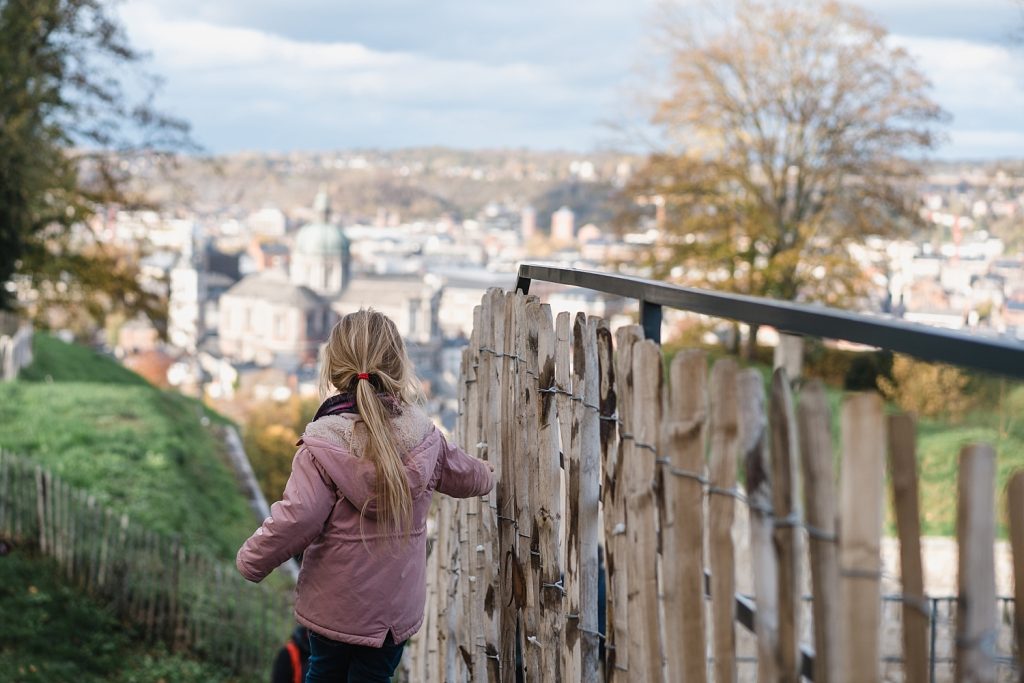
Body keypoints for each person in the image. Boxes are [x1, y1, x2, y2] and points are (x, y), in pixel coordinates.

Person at [236, 309, 494, 683]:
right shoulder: (426, 437)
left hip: (333, 608)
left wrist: (252, 560)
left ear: (332, 370)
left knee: (324, 672)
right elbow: (467, 476)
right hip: (393, 615)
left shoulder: (323, 445)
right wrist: (490, 473)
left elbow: (299, 517)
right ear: (399, 366)